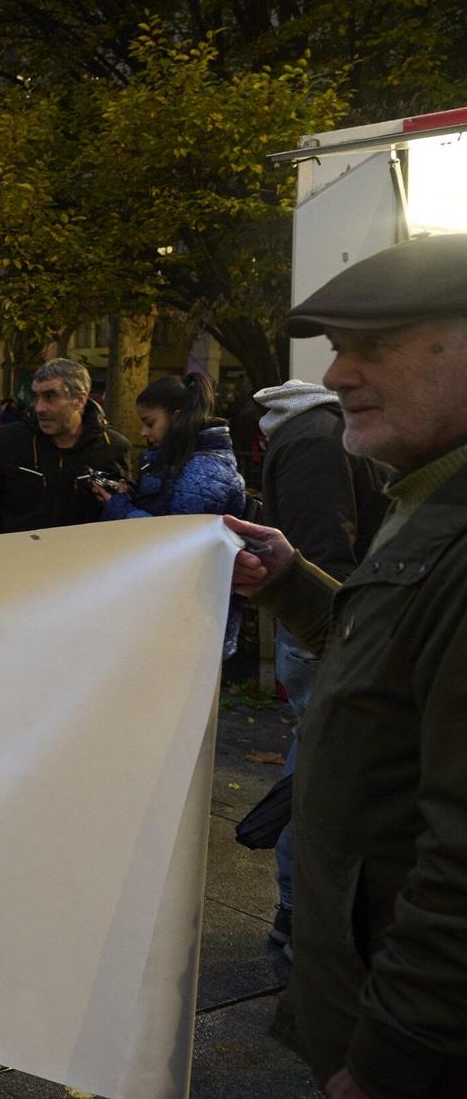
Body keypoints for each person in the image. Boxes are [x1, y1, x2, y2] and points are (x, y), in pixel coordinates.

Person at [228, 233, 467, 1099]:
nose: (336, 375)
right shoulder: (427, 490)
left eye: (373, 345)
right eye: (336, 348)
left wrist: (386, 1061)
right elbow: (395, 652)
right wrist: (292, 580)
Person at [252, 378, 389, 956]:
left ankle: (300, 910)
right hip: (331, 625)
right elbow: (327, 549)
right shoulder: (318, 440)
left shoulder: (316, 434)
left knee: (317, 763)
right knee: (323, 772)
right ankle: (299, 911)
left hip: (330, 622)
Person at [91, 373, 247, 655]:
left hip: (192, 617)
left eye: (150, 422)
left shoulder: (203, 469)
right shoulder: (187, 461)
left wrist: (118, 507)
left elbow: (175, 540)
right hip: (181, 610)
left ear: (177, 417)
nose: (143, 432)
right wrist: (128, 494)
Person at [0, 358, 131, 534]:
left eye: (50, 397)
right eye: (36, 397)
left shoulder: (112, 447)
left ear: (79, 400)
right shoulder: (5, 441)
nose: (40, 408)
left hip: (85, 550)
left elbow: (121, 511)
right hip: (15, 550)